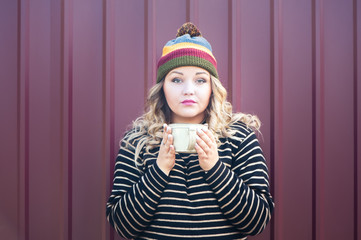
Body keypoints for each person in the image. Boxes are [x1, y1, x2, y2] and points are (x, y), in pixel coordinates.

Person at [106, 22, 274, 240]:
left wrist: (215, 168)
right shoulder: (137, 142)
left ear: (212, 87)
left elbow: (257, 221)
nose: (188, 90)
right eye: (176, 79)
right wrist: (159, 170)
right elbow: (122, 225)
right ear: (162, 88)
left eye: (200, 80)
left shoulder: (238, 138)